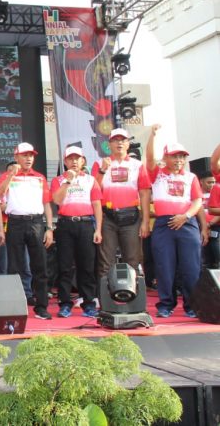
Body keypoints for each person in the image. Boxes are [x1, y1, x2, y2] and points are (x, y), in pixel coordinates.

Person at [145, 126, 206, 318]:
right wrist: (152, 135)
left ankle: (192, 305)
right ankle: (166, 304)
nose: (179, 160)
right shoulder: (158, 174)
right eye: (174, 156)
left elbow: (197, 201)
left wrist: (185, 216)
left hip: (187, 223)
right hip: (164, 224)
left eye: (182, 157)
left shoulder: (191, 177)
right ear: (165, 157)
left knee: (191, 267)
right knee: (164, 266)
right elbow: (149, 159)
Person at [0, 142, 55, 320]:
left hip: (36, 222)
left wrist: (49, 228)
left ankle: (41, 306)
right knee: (14, 266)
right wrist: (11, 176)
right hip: (15, 222)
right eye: (25, 155)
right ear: (16, 157)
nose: (28, 158)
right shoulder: (8, 175)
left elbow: (46, 204)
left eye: (31, 155)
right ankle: (14, 306)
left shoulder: (39, 177)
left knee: (40, 265)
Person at [50, 146, 103, 318]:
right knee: (65, 266)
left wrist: (98, 229)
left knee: (87, 266)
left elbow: (97, 205)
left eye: (77, 158)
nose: (74, 161)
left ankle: (88, 303)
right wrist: (68, 181)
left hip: (86, 224)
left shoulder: (90, 180)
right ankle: (65, 304)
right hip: (65, 225)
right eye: (70, 159)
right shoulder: (58, 180)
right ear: (65, 162)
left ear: (83, 161)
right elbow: (57, 200)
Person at [92, 128, 151, 279]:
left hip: (131, 217)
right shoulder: (99, 163)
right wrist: (102, 171)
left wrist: (145, 221)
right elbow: (93, 191)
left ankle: (133, 293)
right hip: (107, 217)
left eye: (123, 140)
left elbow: (144, 193)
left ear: (128, 144)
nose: (119, 143)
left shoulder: (137, 165)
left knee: (133, 260)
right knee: (106, 263)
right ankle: (106, 293)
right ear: (109, 144)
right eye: (115, 140)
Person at [198, 170, 220, 269]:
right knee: (205, 258)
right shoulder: (196, 195)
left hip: (216, 227)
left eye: (213, 182)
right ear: (201, 182)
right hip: (200, 228)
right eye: (209, 182)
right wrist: (203, 226)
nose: (212, 185)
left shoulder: (217, 193)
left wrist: (209, 224)